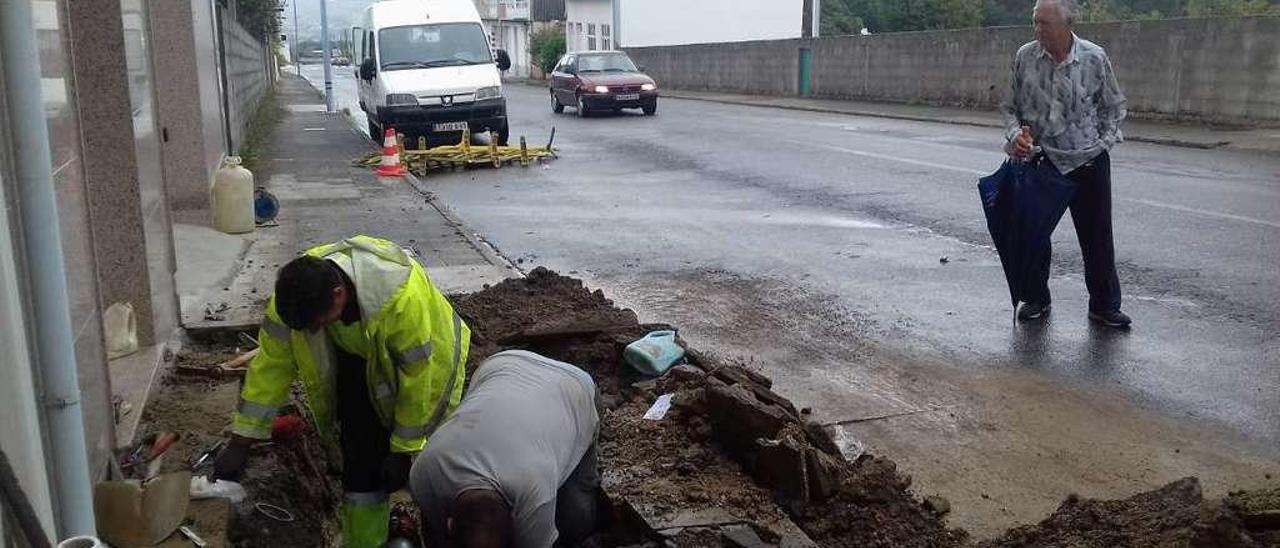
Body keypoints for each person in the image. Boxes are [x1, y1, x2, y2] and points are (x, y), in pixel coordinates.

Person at [212, 235, 471, 548]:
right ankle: (365, 542)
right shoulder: (295, 298)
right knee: (361, 463)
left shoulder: (400, 300)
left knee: (431, 465)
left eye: (316, 323)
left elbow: (418, 381)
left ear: (339, 294)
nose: (311, 332)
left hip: (431, 365)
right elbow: (271, 367)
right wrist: (241, 440)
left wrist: (404, 450)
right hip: (360, 360)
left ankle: (440, 532)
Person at [999, 0, 1132, 328]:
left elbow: (1113, 107)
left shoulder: (1093, 57)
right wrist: (1016, 135)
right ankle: (1035, 299)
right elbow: (1009, 106)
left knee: (1097, 238)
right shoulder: (1025, 57)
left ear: (1066, 24)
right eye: (1035, 22)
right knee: (1032, 235)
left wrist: (1102, 144)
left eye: (1044, 23)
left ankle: (1103, 306)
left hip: (1089, 163)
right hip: (1042, 159)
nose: (1037, 29)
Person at [409, 350, 601, 548]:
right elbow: (435, 540)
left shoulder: (533, 493)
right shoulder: (425, 476)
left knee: (576, 506)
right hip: (500, 367)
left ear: (516, 519)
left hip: (572, 387)